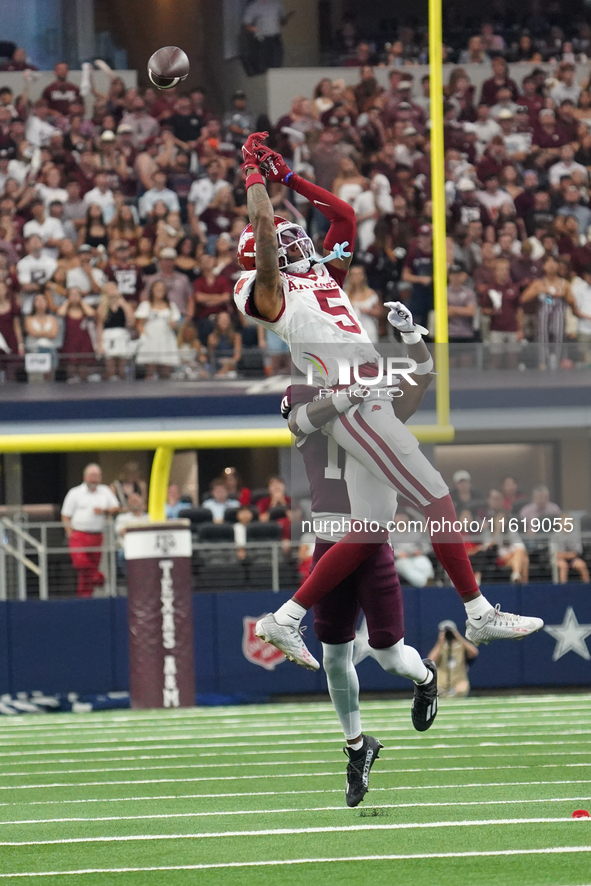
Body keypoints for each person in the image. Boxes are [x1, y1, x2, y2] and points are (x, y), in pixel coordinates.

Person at [235, 131, 543, 668]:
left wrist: (290, 179)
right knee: (435, 494)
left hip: (365, 396)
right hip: (353, 401)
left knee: (370, 528)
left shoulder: (321, 279)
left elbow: (345, 217)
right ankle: (477, 611)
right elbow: (264, 234)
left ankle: (283, 619)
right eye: (289, 243)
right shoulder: (265, 291)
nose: (301, 244)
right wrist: (254, 179)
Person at [281, 380, 438, 806]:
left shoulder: (370, 418)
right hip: (329, 539)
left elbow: (413, 394)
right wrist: (352, 393)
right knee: (334, 654)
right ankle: (356, 748)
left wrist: (410, 351)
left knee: (389, 656)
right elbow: (306, 413)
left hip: (369, 543)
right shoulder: (310, 415)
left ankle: (425, 677)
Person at [61, 463, 119, 597]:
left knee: (86, 574)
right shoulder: (75, 493)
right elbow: (65, 515)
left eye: (97, 475)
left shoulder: (105, 491)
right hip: (79, 534)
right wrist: (70, 533)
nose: (94, 478)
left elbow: (116, 507)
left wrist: (104, 511)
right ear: (85, 476)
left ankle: (85, 597)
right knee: (80, 562)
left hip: (97, 535)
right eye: (91, 475)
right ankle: (99, 577)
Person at [135, 279, 181, 379]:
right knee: (150, 369)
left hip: (166, 339)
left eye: (162, 289)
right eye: (157, 289)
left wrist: (173, 324)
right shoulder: (146, 305)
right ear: (152, 291)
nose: (160, 291)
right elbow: (139, 324)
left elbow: (176, 324)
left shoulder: (171, 307)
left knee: (165, 370)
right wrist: (143, 336)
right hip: (151, 338)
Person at [428, 620, 478, 698]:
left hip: (458, 683)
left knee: (462, 689)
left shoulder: (461, 647)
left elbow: (474, 652)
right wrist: (440, 642)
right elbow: (431, 661)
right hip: (441, 684)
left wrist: (458, 637)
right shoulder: (439, 648)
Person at [243, 0, 289, 73]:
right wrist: (252, 28)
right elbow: (246, 24)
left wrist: (284, 20)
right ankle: (263, 82)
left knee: (277, 64)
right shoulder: (254, 5)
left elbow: (282, 19)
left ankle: (276, 81)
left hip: (276, 39)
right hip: (262, 40)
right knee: (263, 65)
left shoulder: (277, 3)